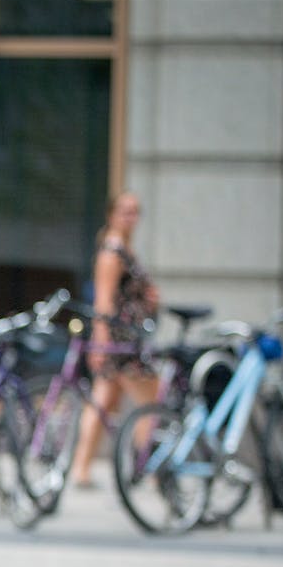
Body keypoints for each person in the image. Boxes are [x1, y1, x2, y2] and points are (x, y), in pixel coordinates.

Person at [69, 191, 161, 489]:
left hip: (125, 339)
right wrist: (101, 343)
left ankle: (82, 467)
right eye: (125, 211)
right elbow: (104, 302)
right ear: (111, 215)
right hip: (121, 343)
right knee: (153, 399)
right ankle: (145, 462)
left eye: (135, 211)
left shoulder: (124, 249)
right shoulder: (112, 251)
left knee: (104, 401)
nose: (131, 218)